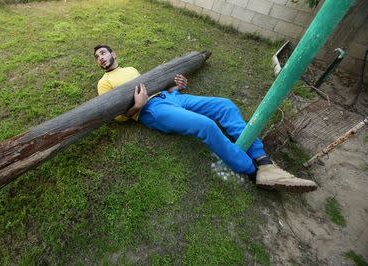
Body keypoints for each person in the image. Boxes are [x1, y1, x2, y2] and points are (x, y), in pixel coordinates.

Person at [94, 44, 317, 192]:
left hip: (170, 97)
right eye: (97, 57)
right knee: (205, 125)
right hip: (151, 111)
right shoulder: (104, 84)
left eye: (103, 53)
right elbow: (118, 118)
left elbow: (151, 86)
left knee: (224, 105)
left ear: (114, 54)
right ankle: (254, 171)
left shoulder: (131, 68)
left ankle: (262, 159)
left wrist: (175, 86)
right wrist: (137, 107)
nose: (100, 58)